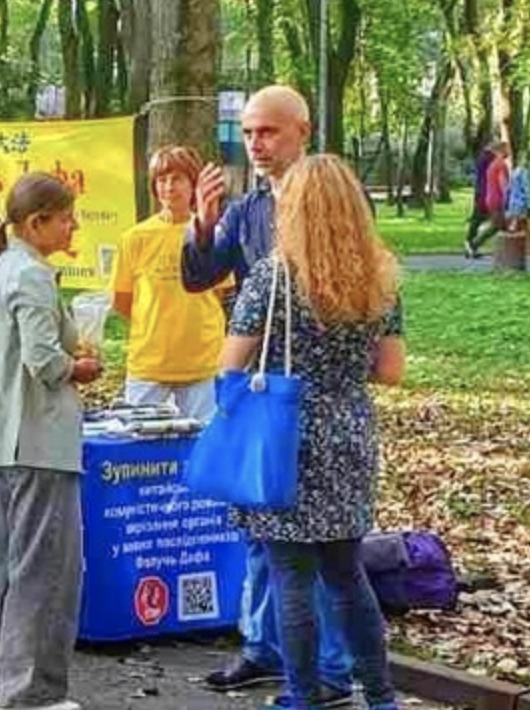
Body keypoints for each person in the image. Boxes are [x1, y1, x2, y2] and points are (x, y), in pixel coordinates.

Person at [181, 84, 354, 705]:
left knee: (321, 546)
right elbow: (199, 276)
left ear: (302, 132)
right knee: (257, 524)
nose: (255, 143)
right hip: (259, 392)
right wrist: (201, 224)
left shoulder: (334, 201)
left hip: (320, 403)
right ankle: (261, 646)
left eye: (268, 132)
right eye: (249, 132)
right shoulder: (248, 207)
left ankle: (332, 671)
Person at [220, 153, 405, 710]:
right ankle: (380, 695)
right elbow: (391, 370)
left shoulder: (272, 278)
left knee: (290, 575)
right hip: (348, 431)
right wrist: (342, 369)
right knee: (347, 574)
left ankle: (303, 696)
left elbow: (230, 366)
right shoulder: (380, 277)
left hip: (285, 434)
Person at [0, 173, 101, 710]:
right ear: (36, 222)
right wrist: (82, 368)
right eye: (66, 216)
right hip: (38, 440)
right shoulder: (32, 275)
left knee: (6, 564)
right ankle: (30, 692)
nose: (73, 225)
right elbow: (43, 361)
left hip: (0, 440)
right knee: (45, 571)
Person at [109, 146, 227, 421]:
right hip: (149, 368)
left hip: (203, 366)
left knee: (200, 449)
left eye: (177, 179)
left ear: (194, 184)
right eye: (161, 180)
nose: (169, 187)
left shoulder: (214, 234)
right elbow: (123, 301)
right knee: (141, 455)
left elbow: (220, 294)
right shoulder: (136, 238)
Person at [466, 141, 511, 259]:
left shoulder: (493, 164)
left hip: (490, 198)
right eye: (507, 149)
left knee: (503, 225)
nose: (509, 152)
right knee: (496, 225)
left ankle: (508, 254)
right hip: (497, 199)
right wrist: (507, 200)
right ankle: (473, 244)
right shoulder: (500, 164)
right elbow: (503, 185)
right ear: (501, 150)